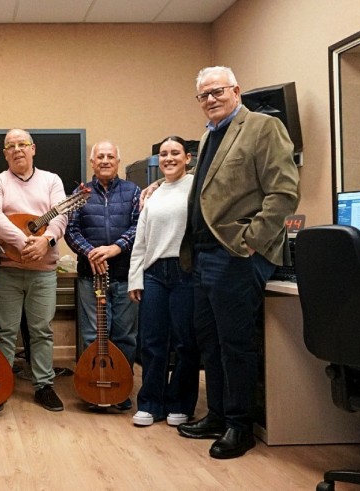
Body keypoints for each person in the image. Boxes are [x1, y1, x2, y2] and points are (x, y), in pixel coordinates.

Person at [174, 67, 300, 459]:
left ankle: (240, 426)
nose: (210, 99)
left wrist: (251, 242)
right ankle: (217, 413)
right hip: (202, 255)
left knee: (235, 344)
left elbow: (283, 191)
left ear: (236, 91)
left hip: (235, 254)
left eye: (218, 91)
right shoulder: (210, 135)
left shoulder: (262, 127)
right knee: (209, 342)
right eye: (203, 95)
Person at [0, 128, 67, 412]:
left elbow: (61, 213)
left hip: (43, 272)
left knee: (41, 331)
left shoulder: (51, 180)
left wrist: (46, 241)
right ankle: (2, 384)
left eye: (22, 144)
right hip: (7, 270)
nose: (17, 149)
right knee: (5, 331)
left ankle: (44, 385)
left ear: (34, 148)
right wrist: (23, 242)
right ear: (5, 153)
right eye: (11, 146)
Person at [127, 136, 199, 428]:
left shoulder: (196, 187)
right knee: (152, 343)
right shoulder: (152, 195)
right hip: (154, 273)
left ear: (188, 158)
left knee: (185, 343)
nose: (168, 158)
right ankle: (150, 403)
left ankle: (180, 403)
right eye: (164, 155)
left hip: (185, 272)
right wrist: (136, 278)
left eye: (175, 153)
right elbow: (140, 241)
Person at [65, 140, 140, 412]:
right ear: (92, 163)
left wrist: (115, 247)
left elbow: (139, 226)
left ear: (118, 162)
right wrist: (92, 253)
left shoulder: (133, 192)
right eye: (100, 157)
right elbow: (71, 231)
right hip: (90, 276)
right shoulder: (80, 193)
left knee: (125, 336)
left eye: (110, 156)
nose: (105, 161)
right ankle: (92, 387)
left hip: (124, 275)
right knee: (92, 335)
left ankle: (122, 387)